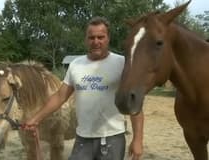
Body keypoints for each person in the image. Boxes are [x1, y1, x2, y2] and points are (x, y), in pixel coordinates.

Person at [23, 16, 144, 160]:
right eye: (91, 37)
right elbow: (60, 96)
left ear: (108, 38)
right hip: (82, 138)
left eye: (101, 37)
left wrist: (138, 140)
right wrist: (36, 118)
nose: (96, 42)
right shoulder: (76, 65)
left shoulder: (122, 63)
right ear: (86, 39)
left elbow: (134, 104)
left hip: (112, 138)